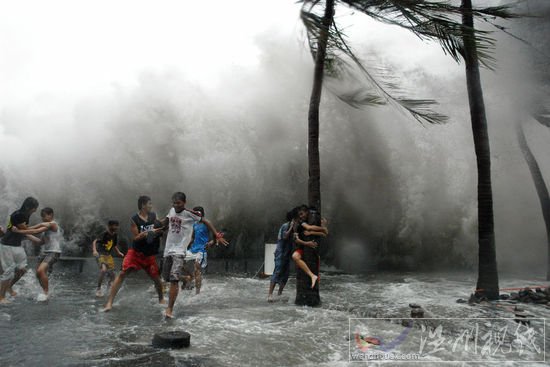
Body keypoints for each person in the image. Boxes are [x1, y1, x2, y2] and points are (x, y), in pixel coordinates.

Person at [161, 192, 228, 318]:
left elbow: (212, 225)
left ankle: (194, 292)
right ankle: (187, 278)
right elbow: (186, 233)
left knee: (194, 267)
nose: (176, 205)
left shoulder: (194, 217)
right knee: (168, 276)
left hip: (199, 250)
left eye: (178, 203)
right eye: (174, 203)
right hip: (187, 249)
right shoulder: (191, 223)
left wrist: (215, 239)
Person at [104, 196, 165, 312]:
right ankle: (109, 302)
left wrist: (161, 228)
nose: (151, 206)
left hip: (148, 254)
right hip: (135, 253)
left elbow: (158, 225)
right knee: (122, 274)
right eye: (149, 204)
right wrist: (148, 233)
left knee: (156, 278)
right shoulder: (134, 219)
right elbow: (136, 237)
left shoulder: (153, 215)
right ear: (143, 205)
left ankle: (161, 299)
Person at [0, 197, 47, 303]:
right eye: (34, 208)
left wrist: (37, 241)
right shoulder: (18, 215)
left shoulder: (26, 215)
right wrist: (43, 228)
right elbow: (26, 230)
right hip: (7, 245)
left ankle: (9, 287)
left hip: (17, 245)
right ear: (27, 207)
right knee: (8, 271)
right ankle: (1, 297)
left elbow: (22, 231)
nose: (35, 210)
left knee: (22, 270)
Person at [184, 206, 227, 295]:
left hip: (202, 250)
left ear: (201, 214)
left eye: (197, 213)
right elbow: (192, 237)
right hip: (193, 249)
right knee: (180, 260)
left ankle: (197, 293)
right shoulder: (194, 224)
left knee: (197, 268)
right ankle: (190, 276)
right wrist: (185, 247)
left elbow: (216, 234)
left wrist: (212, 242)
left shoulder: (206, 223)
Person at [25, 207, 62, 301]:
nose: (43, 218)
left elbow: (38, 228)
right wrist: (25, 234)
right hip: (46, 253)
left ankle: (46, 293)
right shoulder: (46, 229)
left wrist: (25, 229)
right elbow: (40, 242)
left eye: (45, 216)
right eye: (42, 217)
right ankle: (45, 291)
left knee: (40, 271)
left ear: (51, 215)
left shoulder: (54, 224)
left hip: (54, 252)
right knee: (38, 274)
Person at [292, 205, 328, 289]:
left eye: (302, 214)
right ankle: (312, 275)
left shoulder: (314, 219)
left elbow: (324, 234)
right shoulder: (299, 223)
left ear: (307, 212)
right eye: (299, 215)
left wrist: (313, 232)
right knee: (295, 256)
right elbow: (308, 228)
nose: (301, 216)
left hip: (312, 250)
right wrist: (323, 229)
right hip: (302, 247)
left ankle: (314, 278)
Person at [267, 208, 296, 302]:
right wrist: (292, 227)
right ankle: (270, 294)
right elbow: (285, 236)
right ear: (292, 219)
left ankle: (279, 293)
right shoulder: (285, 226)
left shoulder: (295, 229)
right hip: (280, 253)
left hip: (287, 254)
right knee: (277, 271)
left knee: (286, 274)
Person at [92, 220, 124, 297]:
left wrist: (118, 252)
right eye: (114, 225)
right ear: (109, 226)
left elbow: (114, 245)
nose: (116, 227)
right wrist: (94, 250)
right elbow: (95, 241)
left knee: (113, 276)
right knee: (103, 270)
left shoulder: (115, 235)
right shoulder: (104, 234)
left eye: (117, 225)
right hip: (101, 254)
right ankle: (98, 289)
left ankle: (108, 289)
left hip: (108, 256)